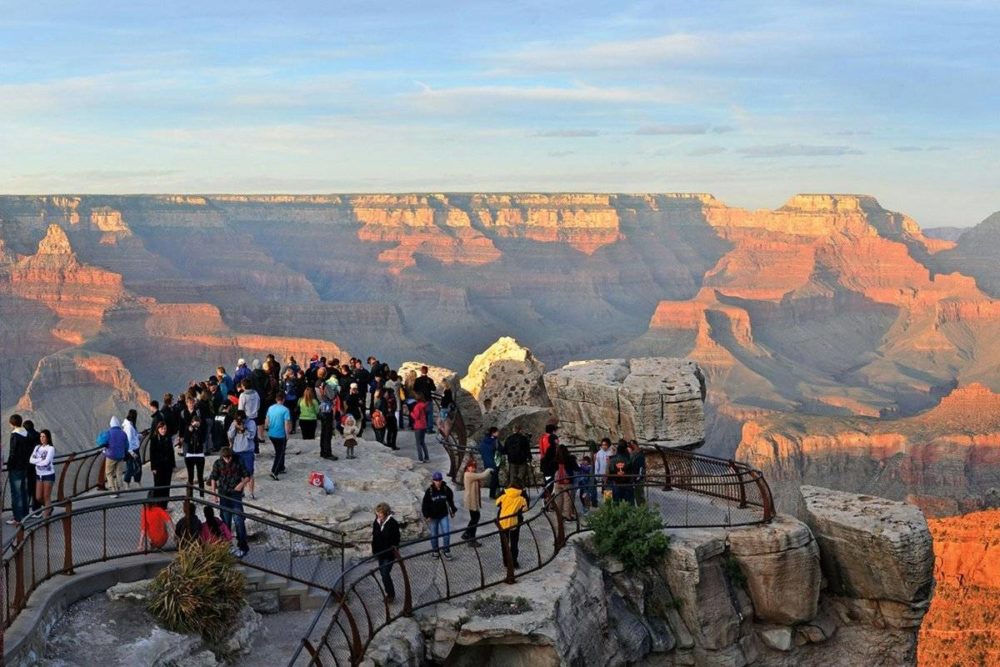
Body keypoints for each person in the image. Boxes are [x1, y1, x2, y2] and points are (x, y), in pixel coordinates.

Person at [208, 446, 251, 558]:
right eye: (225, 458)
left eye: (229, 457)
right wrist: (214, 494)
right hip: (223, 495)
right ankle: (227, 546)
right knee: (225, 522)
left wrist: (241, 484)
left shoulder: (238, 460)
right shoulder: (218, 463)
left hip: (235, 495)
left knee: (239, 520)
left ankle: (242, 546)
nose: (227, 460)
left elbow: (247, 476)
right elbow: (213, 477)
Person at [421, 471, 457, 559]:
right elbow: (425, 504)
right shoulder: (429, 491)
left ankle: (446, 550)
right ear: (433, 480)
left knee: (446, 533)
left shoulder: (445, 489)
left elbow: (450, 500)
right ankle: (435, 551)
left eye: (439, 480)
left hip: (443, 515)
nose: (438, 482)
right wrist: (427, 515)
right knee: (434, 535)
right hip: (433, 517)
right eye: (436, 480)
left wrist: (453, 510)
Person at [371, 502, 401, 603]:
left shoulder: (393, 523)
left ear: (386, 513)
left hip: (389, 553)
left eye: (381, 513)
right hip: (380, 552)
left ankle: (390, 594)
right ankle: (389, 593)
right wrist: (374, 551)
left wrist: (393, 549)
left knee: (385, 573)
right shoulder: (376, 522)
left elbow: (396, 539)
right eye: (377, 512)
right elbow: (374, 537)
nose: (379, 514)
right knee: (383, 574)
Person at [496, 483, 529, 570]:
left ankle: (506, 561)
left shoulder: (504, 493)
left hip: (502, 520)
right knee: (514, 541)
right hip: (515, 521)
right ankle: (514, 561)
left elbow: (497, 503)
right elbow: (525, 508)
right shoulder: (521, 495)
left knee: (504, 542)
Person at [461, 460, 494, 546]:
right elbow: (482, 475)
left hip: (472, 500)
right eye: (471, 467)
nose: (473, 468)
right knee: (475, 518)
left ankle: (468, 534)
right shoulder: (468, 475)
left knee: (474, 518)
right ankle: (470, 537)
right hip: (471, 500)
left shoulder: (470, 475)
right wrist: (489, 469)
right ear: (468, 467)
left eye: (474, 467)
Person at [6, 415, 32, 525]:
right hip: (25, 466)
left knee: (16, 493)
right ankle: (25, 515)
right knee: (23, 491)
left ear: (12, 423)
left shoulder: (15, 435)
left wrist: (9, 465)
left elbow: (13, 452)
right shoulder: (26, 434)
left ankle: (17, 518)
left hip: (16, 467)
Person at [181, 397, 207, 495]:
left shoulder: (201, 429)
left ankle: (201, 495)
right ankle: (190, 495)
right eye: (194, 423)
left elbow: (203, 439)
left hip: (200, 455)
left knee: (200, 476)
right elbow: (186, 440)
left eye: (198, 423)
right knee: (190, 476)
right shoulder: (189, 429)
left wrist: (198, 429)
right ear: (191, 423)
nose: (196, 424)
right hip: (190, 455)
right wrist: (190, 430)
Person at [228, 410, 256, 499]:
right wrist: (234, 427)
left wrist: (244, 430)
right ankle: (241, 492)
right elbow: (230, 435)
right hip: (237, 451)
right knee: (238, 473)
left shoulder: (251, 423)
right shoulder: (234, 422)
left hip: (247, 451)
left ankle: (251, 493)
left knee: (249, 473)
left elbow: (252, 436)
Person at [28, 428, 56, 518]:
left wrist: (37, 461)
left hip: (48, 475)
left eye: (44, 436)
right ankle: (50, 507)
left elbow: (46, 462)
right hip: (39, 475)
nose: (42, 438)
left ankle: (46, 518)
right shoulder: (37, 447)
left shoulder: (51, 448)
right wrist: (40, 459)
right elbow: (31, 460)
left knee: (46, 496)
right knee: (38, 497)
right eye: (41, 436)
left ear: (48, 438)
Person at [148, 420, 175, 508]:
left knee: (167, 486)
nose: (164, 430)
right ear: (158, 429)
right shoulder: (154, 439)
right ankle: (157, 504)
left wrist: (173, 465)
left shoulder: (168, 438)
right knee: (158, 485)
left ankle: (164, 505)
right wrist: (153, 467)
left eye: (165, 429)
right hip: (158, 466)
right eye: (162, 429)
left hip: (167, 466)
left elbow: (171, 452)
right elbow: (152, 454)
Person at [264, 395, 292, 481]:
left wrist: (266, 427)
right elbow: (286, 423)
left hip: (271, 433)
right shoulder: (285, 410)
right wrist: (287, 434)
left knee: (279, 451)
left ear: (276, 399)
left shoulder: (270, 408)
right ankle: (274, 471)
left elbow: (267, 419)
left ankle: (281, 467)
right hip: (280, 434)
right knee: (280, 453)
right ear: (283, 400)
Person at [104, 416, 129, 498]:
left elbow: (100, 441)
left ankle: (113, 491)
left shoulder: (108, 433)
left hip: (111, 456)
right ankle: (118, 489)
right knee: (119, 473)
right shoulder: (123, 433)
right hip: (120, 456)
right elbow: (127, 446)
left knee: (109, 473)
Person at [553, 444, 580, 520]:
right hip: (568, 481)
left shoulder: (555, 459)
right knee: (567, 499)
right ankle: (567, 516)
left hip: (557, 481)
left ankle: (558, 515)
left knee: (558, 499)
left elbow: (552, 469)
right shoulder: (570, 458)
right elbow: (577, 469)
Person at [504, 425, 532, 491]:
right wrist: (529, 457)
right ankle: (521, 491)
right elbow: (527, 449)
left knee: (512, 477)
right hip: (522, 460)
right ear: (520, 430)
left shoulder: (509, 439)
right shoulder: (524, 438)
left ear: (513, 430)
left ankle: (512, 491)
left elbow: (505, 450)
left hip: (512, 460)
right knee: (521, 476)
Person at [122, 408, 143, 489]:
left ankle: (137, 481)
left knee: (137, 466)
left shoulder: (131, 425)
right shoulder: (129, 427)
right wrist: (132, 452)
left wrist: (139, 435)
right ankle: (126, 482)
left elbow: (133, 436)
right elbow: (129, 440)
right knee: (131, 467)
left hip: (134, 448)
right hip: (131, 450)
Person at [479, 427, 500, 499]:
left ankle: (497, 492)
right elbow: (501, 449)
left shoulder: (484, 440)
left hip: (486, 462)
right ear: (493, 433)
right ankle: (492, 494)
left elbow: (480, 449)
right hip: (494, 462)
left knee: (494, 477)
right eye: (497, 432)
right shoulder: (495, 441)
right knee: (494, 478)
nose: (498, 433)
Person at [410, 395, 430, 462]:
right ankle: (427, 457)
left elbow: (416, 417)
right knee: (423, 442)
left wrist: (411, 413)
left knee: (418, 443)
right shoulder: (424, 405)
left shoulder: (417, 406)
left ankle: (420, 458)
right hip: (423, 425)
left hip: (418, 426)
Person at [627, 440, 647, 506]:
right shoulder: (634, 454)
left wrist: (637, 478)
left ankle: (642, 512)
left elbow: (641, 469)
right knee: (637, 495)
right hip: (635, 478)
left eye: (632, 445)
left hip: (638, 479)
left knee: (639, 496)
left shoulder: (639, 455)